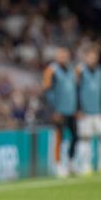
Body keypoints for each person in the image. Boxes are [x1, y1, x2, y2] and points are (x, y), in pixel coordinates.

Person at [43, 47, 78, 176]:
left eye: (65, 54)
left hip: (71, 110)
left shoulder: (71, 69)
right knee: (59, 138)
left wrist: (76, 107)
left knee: (75, 137)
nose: (63, 57)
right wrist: (53, 110)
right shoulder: (51, 70)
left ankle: (70, 163)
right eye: (61, 54)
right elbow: (47, 91)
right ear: (57, 55)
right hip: (59, 111)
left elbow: (75, 90)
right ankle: (58, 165)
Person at [76, 44, 101, 174]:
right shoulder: (80, 70)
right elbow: (76, 90)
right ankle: (86, 166)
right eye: (90, 57)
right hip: (85, 111)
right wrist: (78, 109)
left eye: (94, 57)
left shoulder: (100, 70)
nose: (92, 59)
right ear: (85, 57)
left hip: (98, 111)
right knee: (86, 138)